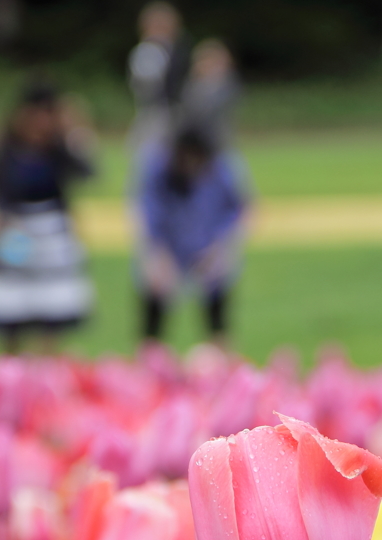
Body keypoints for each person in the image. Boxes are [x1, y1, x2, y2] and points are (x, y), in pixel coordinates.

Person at [0, 82, 97, 354]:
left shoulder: (57, 148)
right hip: (15, 229)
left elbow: (88, 173)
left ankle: (46, 373)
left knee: (51, 313)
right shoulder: (7, 148)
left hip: (52, 232)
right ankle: (11, 371)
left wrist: (76, 131)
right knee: (10, 311)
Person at [135, 127, 247, 346]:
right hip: (169, 244)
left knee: (216, 299)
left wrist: (218, 246)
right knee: (155, 292)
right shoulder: (158, 168)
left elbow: (238, 209)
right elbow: (149, 214)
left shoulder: (223, 168)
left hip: (209, 245)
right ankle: (149, 358)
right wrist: (159, 254)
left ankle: (220, 356)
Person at [127, 2, 192, 153]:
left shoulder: (178, 52)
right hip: (154, 111)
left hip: (175, 111)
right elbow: (144, 86)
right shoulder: (147, 51)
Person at [177, 39, 241, 151]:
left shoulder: (226, 83)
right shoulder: (192, 85)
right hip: (195, 140)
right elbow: (188, 108)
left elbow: (217, 106)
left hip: (218, 139)